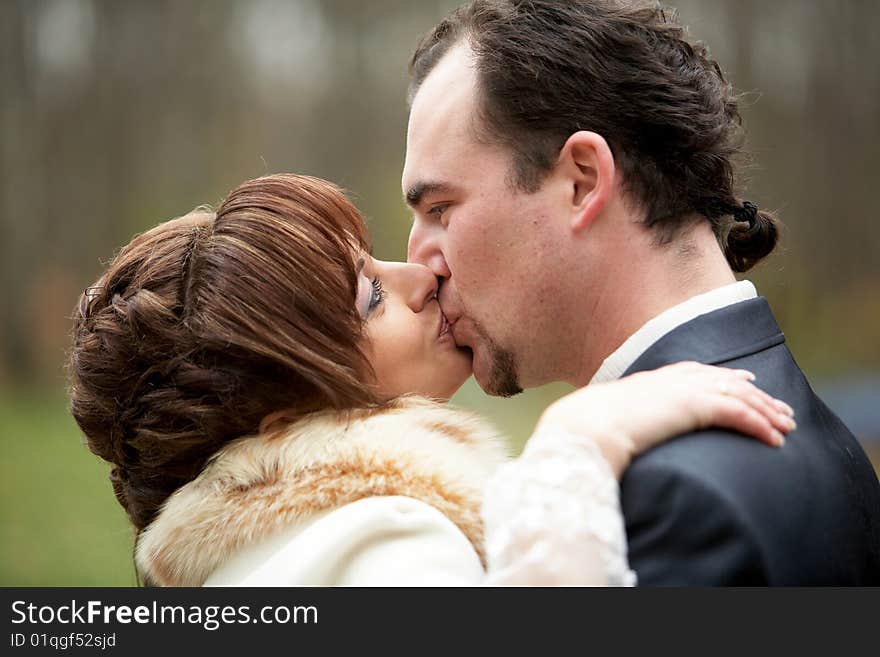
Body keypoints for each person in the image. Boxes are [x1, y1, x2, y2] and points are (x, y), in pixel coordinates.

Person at [68, 173, 794, 586]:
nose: (421, 277)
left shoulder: (255, 561)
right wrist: (574, 447)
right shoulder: (382, 544)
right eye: (370, 297)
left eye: (377, 263)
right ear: (281, 423)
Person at [403, 0, 880, 585]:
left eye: (440, 209)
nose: (419, 262)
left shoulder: (673, 501)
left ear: (582, 180)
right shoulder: (821, 430)